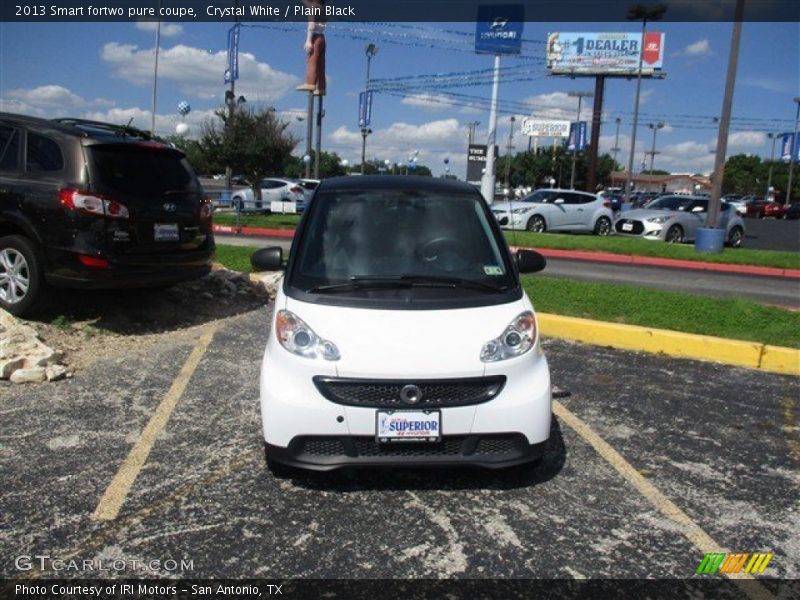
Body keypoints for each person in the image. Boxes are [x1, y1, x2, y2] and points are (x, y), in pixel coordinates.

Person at [296, 0, 327, 95]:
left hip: (315, 37)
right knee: (321, 64)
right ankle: (321, 87)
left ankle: (310, 82)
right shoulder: (324, 8)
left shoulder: (313, 7)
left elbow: (311, 26)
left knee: (312, 60)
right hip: (322, 37)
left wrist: (308, 40)